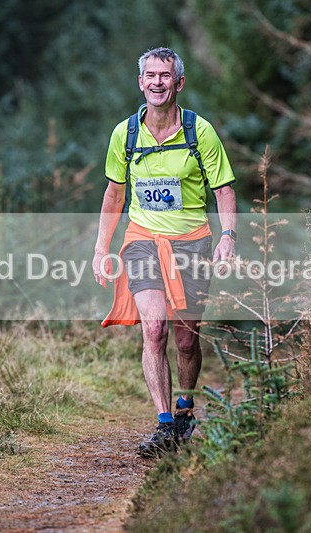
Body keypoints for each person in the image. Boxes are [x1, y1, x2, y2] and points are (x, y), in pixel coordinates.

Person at [92, 47, 238, 457]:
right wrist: (101, 247)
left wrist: (228, 235)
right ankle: (164, 424)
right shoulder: (125, 134)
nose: (158, 82)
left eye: (165, 76)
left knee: (187, 339)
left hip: (192, 241)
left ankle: (185, 408)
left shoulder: (199, 132)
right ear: (141, 83)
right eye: (151, 76)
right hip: (142, 240)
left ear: (179, 83)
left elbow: (224, 190)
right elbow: (114, 193)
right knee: (154, 328)